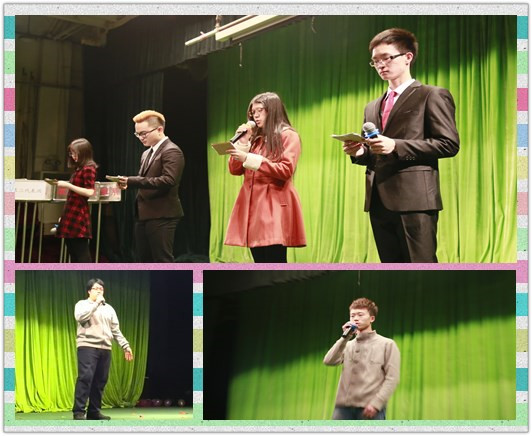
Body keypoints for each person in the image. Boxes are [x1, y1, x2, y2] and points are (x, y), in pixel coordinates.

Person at [343, 28, 460, 263]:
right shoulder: (371, 106)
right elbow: (375, 152)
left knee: (420, 265)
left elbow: (448, 144)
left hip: (414, 200)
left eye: (386, 57)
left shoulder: (431, 95)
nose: (380, 65)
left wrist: (396, 146)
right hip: (378, 200)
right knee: (391, 266)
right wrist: (360, 152)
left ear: (408, 57)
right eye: (375, 61)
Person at [224, 92, 306, 263]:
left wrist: (250, 159)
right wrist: (243, 143)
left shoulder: (288, 135)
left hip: (273, 205)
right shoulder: (256, 139)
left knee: (274, 260)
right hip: (253, 205)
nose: (256, 115)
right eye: (253, 112)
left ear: (273, 110)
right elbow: (234, 169)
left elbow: (286, 169)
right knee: (259, 260)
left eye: (260, 110)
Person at [118, 110, 185, 262]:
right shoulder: (146, 153)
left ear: (159, 129)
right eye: (137, 134)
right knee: (144, 260)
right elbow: (146, 180)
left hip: (162, 214)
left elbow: (169, 180)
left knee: (162, 260)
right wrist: (127, 183)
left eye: (143, 133)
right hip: (144, 214)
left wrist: (132, 181)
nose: (140, 137)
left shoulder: (172, 150)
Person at [323, 297, 400, 420]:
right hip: (343, 409)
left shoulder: (387, 344)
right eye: (352, 316)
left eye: (360, 315)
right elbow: (328, 361)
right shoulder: (347, 345)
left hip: (369, 408)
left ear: (372, 318)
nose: (355, 318)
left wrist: (377, 404)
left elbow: (392, 378)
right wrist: (344, 337)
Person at [73, 278, 133, 420]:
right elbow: (80, 317)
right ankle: (79, 411)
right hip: (87, 346)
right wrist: (96, 304)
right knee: (85, 378)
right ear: (89, 291)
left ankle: (94, 412)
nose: (99, 291)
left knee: (100, 380)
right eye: (96, 289)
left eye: (101, 289)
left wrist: (126, 346)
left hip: (105, 348)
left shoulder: (109, 309)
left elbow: (115, 330)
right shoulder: (82, 304)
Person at [55, 138, 98, 262]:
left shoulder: (89, 168)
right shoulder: (79, 168)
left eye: (75, 153)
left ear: (84, 153)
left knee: (82, 255)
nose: (73, 156)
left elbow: (89, 192)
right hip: (71, 211)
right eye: (71, 153)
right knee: (73, 252)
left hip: (78, 213)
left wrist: (68, 185)